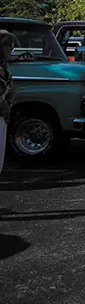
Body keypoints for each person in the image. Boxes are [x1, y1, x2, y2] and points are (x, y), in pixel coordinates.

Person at [0, 30, 15, 208]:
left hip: (2, 116)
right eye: (8, 45)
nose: (11, 49)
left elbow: (12, 88)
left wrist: (8, 103)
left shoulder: (5, 67)